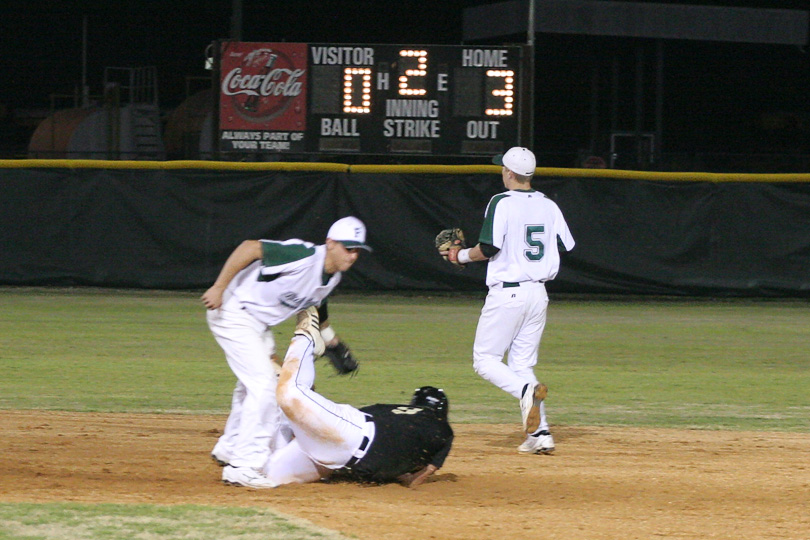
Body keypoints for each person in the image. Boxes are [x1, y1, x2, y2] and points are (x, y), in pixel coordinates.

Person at [202, 216, 371, 487]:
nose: (352, 256)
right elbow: (249, 248)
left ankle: (230, 447)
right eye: (347, 248)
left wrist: (333, 344)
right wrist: (219, 287)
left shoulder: (332, 277)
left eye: (357, 250)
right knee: (266, 387)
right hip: (233, 312)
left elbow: (318, 311)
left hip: (257, 325)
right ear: (330, 243)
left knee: (252, 386)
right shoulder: (302, 255)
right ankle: (244, 465)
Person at [221, 306, 454, 489]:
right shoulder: (442, 430)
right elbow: (419, 477)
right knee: (290, 393)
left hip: (338, 450)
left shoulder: (397, 414)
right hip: (349, 439)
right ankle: (306, 332)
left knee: (270, 475)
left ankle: (279, 379)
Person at [440, 147, 575, 455]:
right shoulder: (549, 205)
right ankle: (540, 435)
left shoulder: (501, 201)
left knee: (485, 360)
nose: (501, 172)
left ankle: (526, 392)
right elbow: (565, 244)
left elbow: (487, 248)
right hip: (538, 293)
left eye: (502, 168)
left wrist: (459, 255)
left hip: (509, 292)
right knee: (522, 364)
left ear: (511, 173)